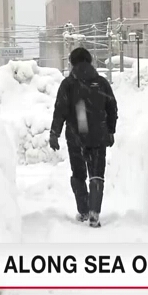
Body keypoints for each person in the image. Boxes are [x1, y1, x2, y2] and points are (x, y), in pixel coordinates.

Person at [49, 47, 118, 228]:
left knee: (79, 175)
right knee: (96, 174)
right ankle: (95, 212)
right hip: (98, 136)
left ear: (72, 63)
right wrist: (111, 130)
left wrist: (54, 133)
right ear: (90, 61)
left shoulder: (68, 85)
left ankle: (84, 210)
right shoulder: (101, 83)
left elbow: (60, 111)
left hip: (76, 137)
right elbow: (112, 108)